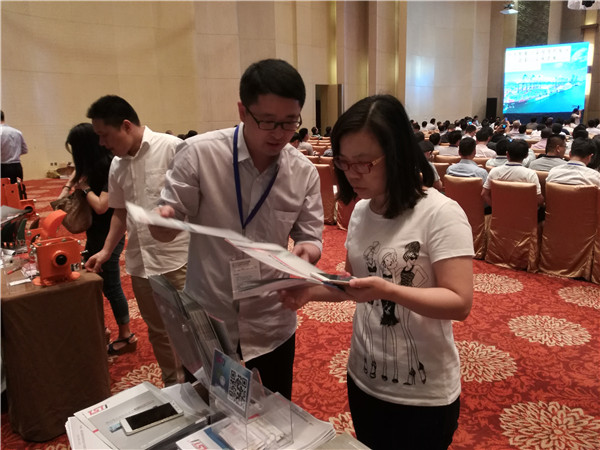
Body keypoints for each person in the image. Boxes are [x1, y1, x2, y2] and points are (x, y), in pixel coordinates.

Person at [281, 94, 473, 449]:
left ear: (396, 154)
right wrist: (307, 291)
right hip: (365, 375)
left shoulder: (441, 213)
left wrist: (388, 290)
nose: (351, 173)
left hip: (423, 392)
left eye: (364, 163)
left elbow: (459, 303)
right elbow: (354, 284)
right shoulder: (361, 211)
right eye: (344, 162)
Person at [151, 59, 324, 400]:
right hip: (210, 313)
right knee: (207, 408)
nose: (280, 134)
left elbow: (310, 235)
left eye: (290, 122)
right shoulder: (199, 154)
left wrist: (308, 252)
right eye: (268, 121)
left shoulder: (303, 172)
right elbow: (166, 226)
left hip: (271, 318)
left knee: (275, 411)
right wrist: (162, 224)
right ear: (243, 111)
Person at [84, 95, 189, 386]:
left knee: (192, 326)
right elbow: (120, 211)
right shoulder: (117, 165)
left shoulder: (171, 148)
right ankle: (174, 385)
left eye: (105, 135)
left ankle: (206, 385)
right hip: (141, 261)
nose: (102, 143)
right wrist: (106, 251)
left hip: (179, 258)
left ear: (126, 126)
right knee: (158, 330)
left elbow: (198, 200)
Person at [60, 123, 135, 354]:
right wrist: (71, 183)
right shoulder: (91, 165)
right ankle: (103, 328)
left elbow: (102, 206)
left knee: (111, 285)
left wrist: (84, 189)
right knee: (96, 280)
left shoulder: (109, 165)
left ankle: (127, 335)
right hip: (96, 232)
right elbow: (63, 197)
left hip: (110, 232)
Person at [482, 138, 544, 208]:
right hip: (524, 213)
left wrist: (496, 208)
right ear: (526, 155)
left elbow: (484, 194)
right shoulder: (530, 174)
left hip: (501, 212)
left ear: (507, 154)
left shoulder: (494, 171)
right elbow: (539, 200)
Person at [0, 110, 28, 185]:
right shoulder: (17, 132)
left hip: (2, 167)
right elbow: (25, 150)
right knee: (17, 189)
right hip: (16, 166)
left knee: (3, 190)